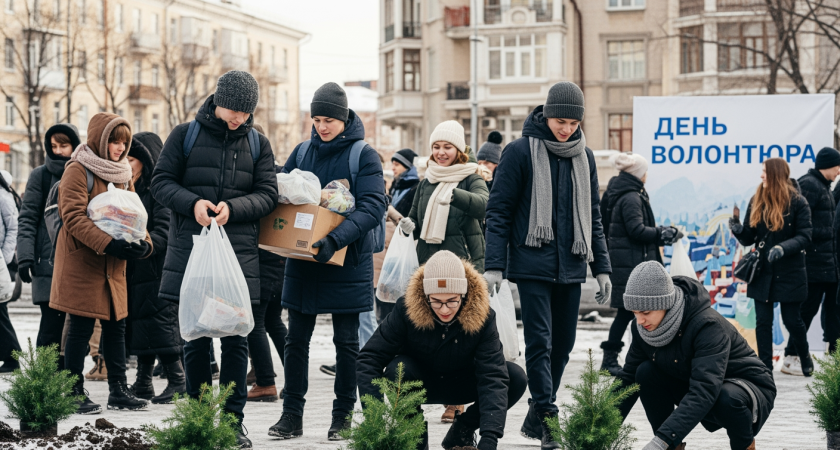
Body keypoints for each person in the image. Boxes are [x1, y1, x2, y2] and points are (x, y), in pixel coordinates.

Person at [151, 70, 278, 449]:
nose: (239, 117)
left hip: (237, 257)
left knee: (237, 338)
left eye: (246, 111)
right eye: (233, 109)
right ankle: (199, 416)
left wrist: (233, 209)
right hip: (192, 253)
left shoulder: (258, 144)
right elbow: (160, 182)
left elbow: (268, 193)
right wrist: (194, 204)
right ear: (217, 100)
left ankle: (232, 421)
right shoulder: (184, 135)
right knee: (196, 338)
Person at [484, 81, 612, 449]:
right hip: (531, 261)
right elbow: (499, 211)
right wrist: (496, 265)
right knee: (540, 341)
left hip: (571, 264)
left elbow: (594, 216)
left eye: (573, 123)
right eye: (559, 120)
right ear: (546, 114)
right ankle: (549, 420)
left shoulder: (583, 157)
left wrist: (602, 268)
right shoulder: (520, 151)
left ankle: (535, 414)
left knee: (564, 345)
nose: (566, 128)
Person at [269, 82, 387, 442]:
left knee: (346, 343)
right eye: (317, 119)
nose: (322, 126)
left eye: (330, 120)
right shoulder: (303, 152)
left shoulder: (362, 155)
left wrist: (334, 239)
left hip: (347, 260)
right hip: (303, 259)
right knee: (296, 342)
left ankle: (342, 418)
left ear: (344, 117)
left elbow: (373, 207)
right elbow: (284, 191)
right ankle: (292, 416)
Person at [357, 250, 527, 450]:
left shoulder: (483, 315)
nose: (444, 309)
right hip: (421, 383)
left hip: (463, 382)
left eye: (452, 301)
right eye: (436, 301)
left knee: (514, 376)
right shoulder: (406, 309)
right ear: (425, 295)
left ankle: (463, 429)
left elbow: (493, 376)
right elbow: (369, 359)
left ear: (463, 295)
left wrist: (489, 439)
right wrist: (374, 420)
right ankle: (414, 435)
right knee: (398, 369)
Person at [50, 113, 153, 414]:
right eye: (114, 141)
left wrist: (144, 243)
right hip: (83, 262)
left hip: (114, 265)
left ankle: (118, 390)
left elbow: (137, 214)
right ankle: (72, 390)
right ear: (99, 139)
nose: (120, 148)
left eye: (124, 142)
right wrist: (108, 243)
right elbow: (72, 217)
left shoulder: (123, 173)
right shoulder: (77, 170)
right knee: (81, 326)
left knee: (116, 327)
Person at [616, 261, 775, 450]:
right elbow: (627, 381)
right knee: (644, 372)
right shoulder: (642, 328)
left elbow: (705, 389)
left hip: (746, 386)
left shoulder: (707, 325)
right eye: (634, 313)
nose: (640, 320)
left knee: (727, 397)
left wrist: (660, 441)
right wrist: (597, 428)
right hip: (695, 381)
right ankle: (671, 448)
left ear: (665, 304)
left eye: (646, 312)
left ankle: (745, 445)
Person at [397, 120, 489, 423]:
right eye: (436, 147)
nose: (440, 153)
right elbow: (415, 216)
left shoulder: (470, 176)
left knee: (460, 337)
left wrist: (456, 196)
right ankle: (421, 394)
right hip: (427, 264)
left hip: (462, 266)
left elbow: (483, 205)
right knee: (426, 332)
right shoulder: (427, 180)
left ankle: (456, 401)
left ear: (459, 149)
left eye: (447, 147)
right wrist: (408, 225)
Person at [598, 153, 682, 375]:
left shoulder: (619, 193)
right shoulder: (631, 197)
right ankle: (613, 361)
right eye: (645, 170)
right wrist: (663, 233)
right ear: (638, 174)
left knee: (628, 313)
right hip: (632, 265)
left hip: (626, 262)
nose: (647, 174)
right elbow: (636, 230)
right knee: (630, 313)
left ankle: (618, 359)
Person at [729, 157, 813, 376]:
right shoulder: (757, 199)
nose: (761, 175)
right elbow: (750, 237)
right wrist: (738, 229)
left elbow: (805, 235)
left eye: (765, 171)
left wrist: (783, 248)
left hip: (790, 271)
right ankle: (764, 368)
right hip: (763, 271)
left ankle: (804, 355)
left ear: (776, 174)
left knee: (792, 321)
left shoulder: (798, 202)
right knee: (763, 322)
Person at [124, 133, 184, 404]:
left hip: (158, 267)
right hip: (138, 268)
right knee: (142, 325)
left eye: (132, 158)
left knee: (160, 324)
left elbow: (165, 230)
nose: (126, 162)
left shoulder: (157, 191)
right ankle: (143, 381)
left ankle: (178, 380)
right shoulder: (129, 188)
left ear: (146, 162)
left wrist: (146, 245)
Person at [17, 124, 79, 369]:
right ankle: (45, 380)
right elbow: (28, 217)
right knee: (51, 325)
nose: (58, 151)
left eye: (63, 145)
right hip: (47, 262)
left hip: (76, 260)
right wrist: (25, 257)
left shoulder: (84, 172)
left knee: (75, 328)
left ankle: (67, 379)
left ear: (74, 145)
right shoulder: (40, 175)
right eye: (53, 146)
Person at [780, 147, 840, 375]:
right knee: (806, 311)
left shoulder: (824, 187)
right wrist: (826, 232)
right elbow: (799, 222)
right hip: (814, 264)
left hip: (827, 264)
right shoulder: (810, 185)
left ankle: (830, 355)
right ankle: (791, 356)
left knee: (829, 311)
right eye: (837, 166)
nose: (839, 171)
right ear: (828, 165)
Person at [247, 163, 289, 403]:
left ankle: (264, 382)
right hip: (279, 257)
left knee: (255, 323)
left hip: (262, 259)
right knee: (273, 321)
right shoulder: (280, 178)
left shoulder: (260, 177)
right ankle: (293, 380)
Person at [0, 169, 19, 373]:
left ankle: (13, 358)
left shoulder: (3, 195)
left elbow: (14, 228)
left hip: (1, 262)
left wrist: (3, 259)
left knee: (0, 311)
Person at [389, 148, 420, 219]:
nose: (393, 168)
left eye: (396, 165)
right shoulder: (395, 185)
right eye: (392, 164)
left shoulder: (417, 188)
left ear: (407, 167)